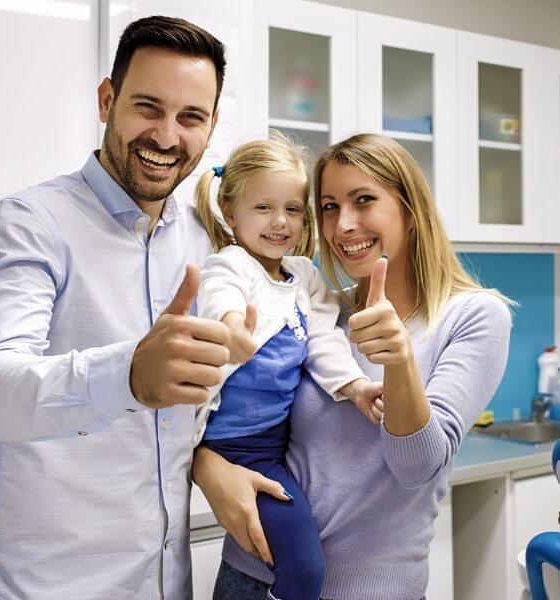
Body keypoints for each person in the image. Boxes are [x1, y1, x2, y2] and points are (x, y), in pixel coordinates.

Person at [0, 16, 263, 600]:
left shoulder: (207, 244)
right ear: (107, 100)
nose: (168, 137)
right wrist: (126, 376)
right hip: (41, 587)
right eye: (148, 107)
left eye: (191, 117)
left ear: (212, 126)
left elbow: (188, 420)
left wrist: (208, 461)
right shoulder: (30, 223)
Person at [193, 133, 513, 600]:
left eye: (363, 201)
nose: (343, 225)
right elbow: (246, 419)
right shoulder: (313, 307)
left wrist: (400, 361)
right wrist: (205, 464)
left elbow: (416, 468)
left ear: (409, 206)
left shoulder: (474, 317)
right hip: (249, 575)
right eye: (327, 206)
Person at [192, 136, 384, 600]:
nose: (280, 222)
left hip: (274, 447)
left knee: (301, 563)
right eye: (263, 207)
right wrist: (233, 329)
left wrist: (356, 386)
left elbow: (323, 338)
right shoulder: (231, 264)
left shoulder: (303, 276)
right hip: (233, 449)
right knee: (303, 568)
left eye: (294, 210)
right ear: (230, 209)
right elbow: (222, 297)